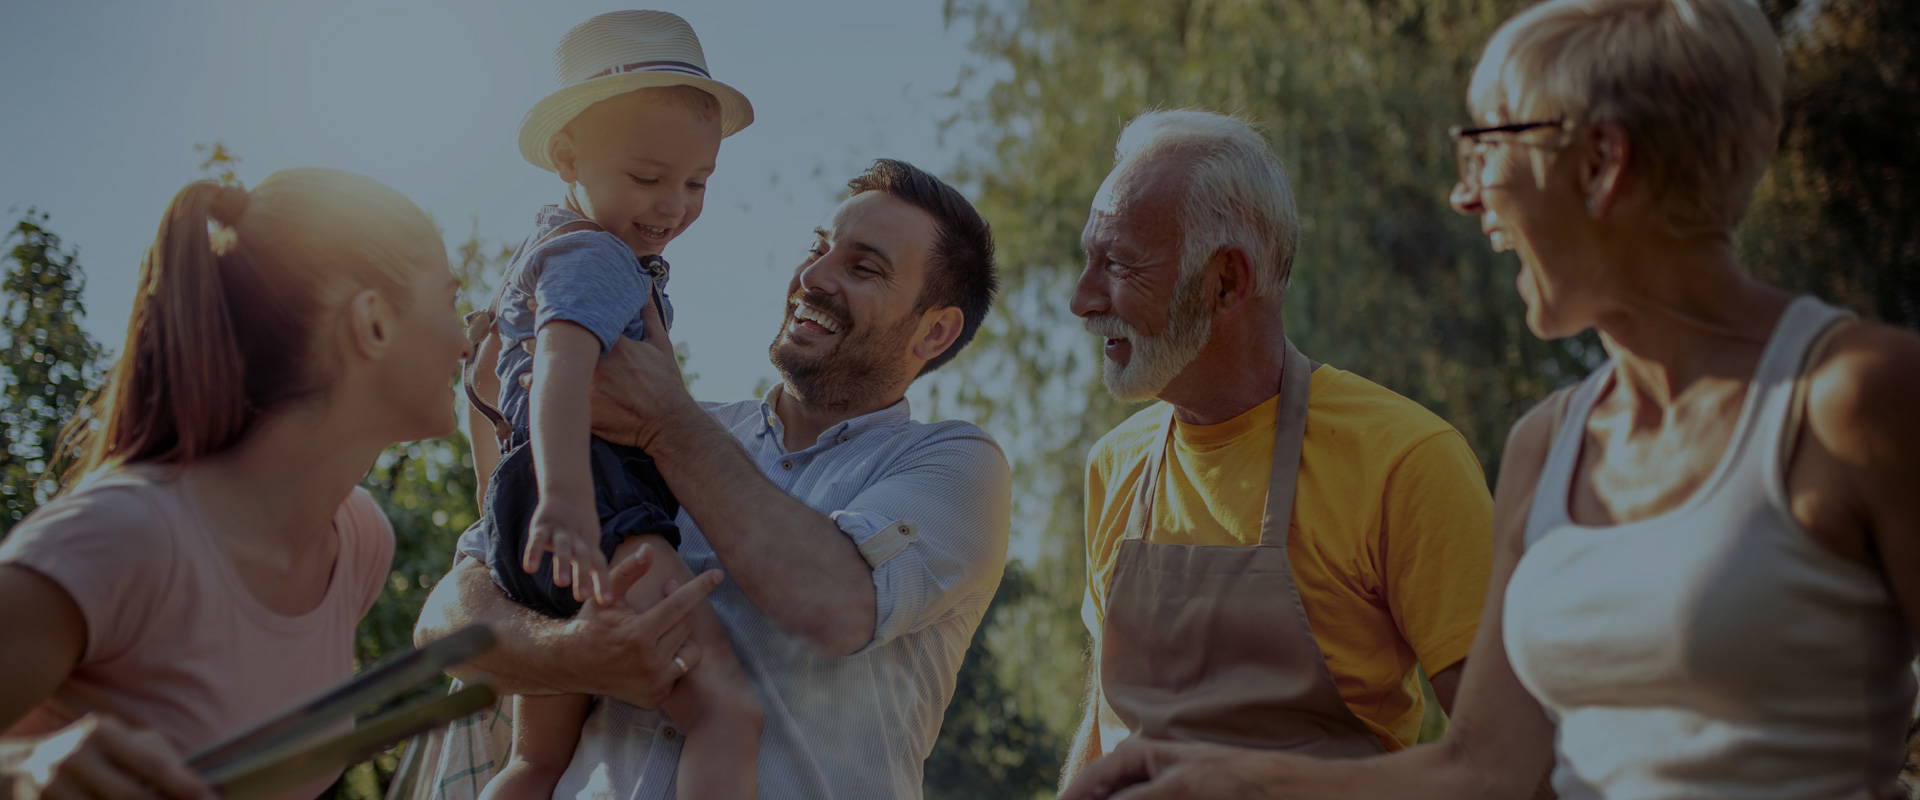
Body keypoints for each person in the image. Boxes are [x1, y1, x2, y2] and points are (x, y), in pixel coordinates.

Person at [1061, 1, 1920, 798]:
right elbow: (1489, 769)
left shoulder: (1860, 398)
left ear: (1600, 163)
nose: (1464, 195)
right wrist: (1221, 780)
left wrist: (1234, 780)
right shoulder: (1548, 444)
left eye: (1488, 147)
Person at [414, 158, 1010, 799]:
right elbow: (450, 614)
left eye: (862, 268)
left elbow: (836, 607)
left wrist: (667, 425)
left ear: (936, 329)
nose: (812, 278)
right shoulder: (662, 422)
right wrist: (569, 654)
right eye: (816, 249)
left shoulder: (958, 466)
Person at [1056, 108, 1495, 787]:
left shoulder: (1406, 461)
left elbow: (1506, 765)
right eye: (1089, 260)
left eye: (1116, 265)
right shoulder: (1115, 464)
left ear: (1227, 280)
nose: (1082, 300)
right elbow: (1107, 718)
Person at [0, 169, 471, 799]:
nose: (465, 338)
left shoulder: (357, 543)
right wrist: (21, 772)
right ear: (374, 323)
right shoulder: (122, 536)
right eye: (449, 299)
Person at [461, 11, 761, 799]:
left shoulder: (546, 248)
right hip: (596, 501)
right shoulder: (598, 256)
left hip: (531, 511)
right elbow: (561, 367)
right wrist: (567, 503)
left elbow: (496, 397)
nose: (672, 206)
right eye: (647, 177)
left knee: (534, 761)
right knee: (726, 714)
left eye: (696, 184)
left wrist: (520, 512)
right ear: (567, 156)